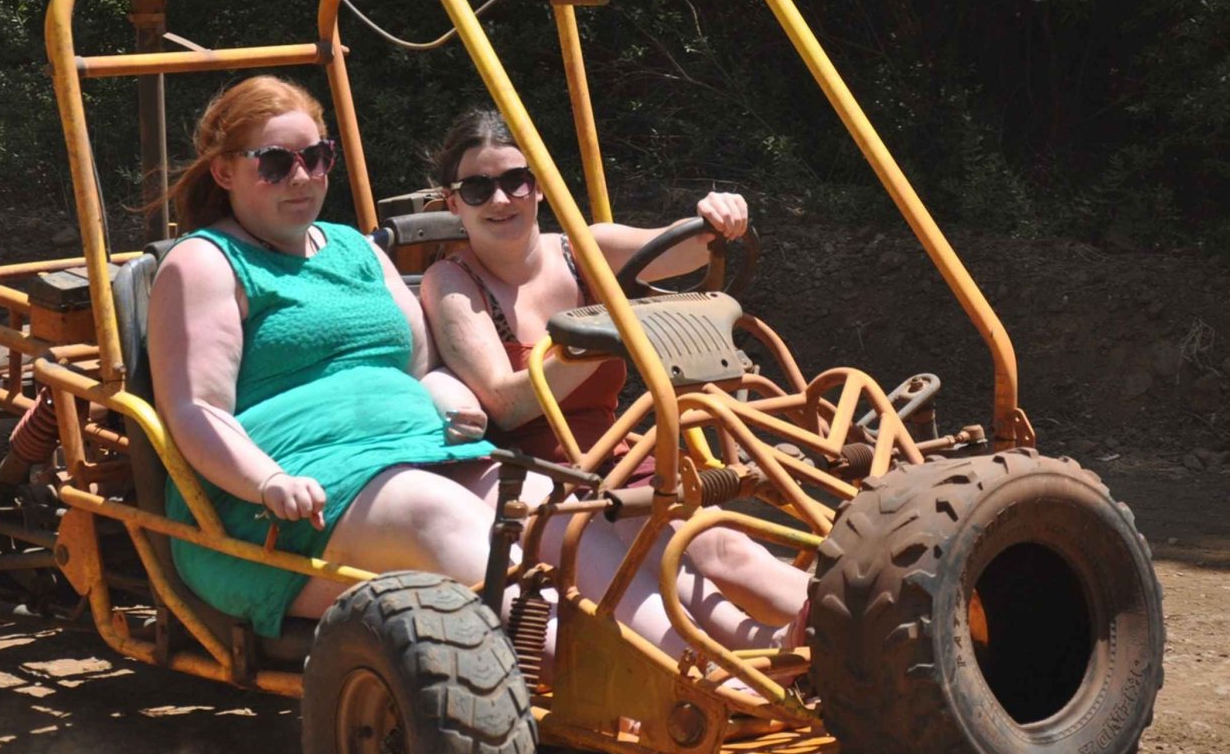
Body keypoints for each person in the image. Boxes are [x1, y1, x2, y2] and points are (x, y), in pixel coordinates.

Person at [147, 76, 788, 663]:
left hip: (423, 451)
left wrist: (440, 385)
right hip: (291, 498)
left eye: (316, 158)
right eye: (277, 163)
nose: (302, 177)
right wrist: (266, 480)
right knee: (450, 521)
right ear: (226, 171)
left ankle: (712, 663)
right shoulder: (204, 263)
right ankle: (620, 680)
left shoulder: (352, 248)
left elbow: (422, 357)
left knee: (561, 513)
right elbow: (196, 409)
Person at [419, 107, 810, 636]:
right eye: (477, 189)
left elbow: (684, 248)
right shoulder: (452, 281)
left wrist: (718, 216)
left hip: (616, 453)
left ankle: (859, 624)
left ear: (538, 186)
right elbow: (509, 404)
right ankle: (767, 650)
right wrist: (611, 334)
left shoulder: (584, 250)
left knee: (723, 545)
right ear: (452, 202)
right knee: (654, 554)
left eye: (515, 181)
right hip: (531, 477)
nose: (500, 199)